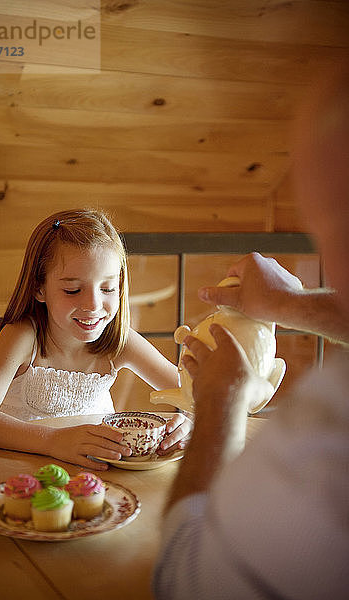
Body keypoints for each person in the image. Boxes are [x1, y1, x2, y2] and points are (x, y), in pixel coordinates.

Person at [153, 63, 349, 598]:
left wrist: (219, 402)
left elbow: (185, 578)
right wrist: (291, 305)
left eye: (329, 227)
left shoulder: (329, 437)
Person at [0, 209, 191, 470]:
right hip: (21, 476)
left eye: (107, 289)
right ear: (39, 288)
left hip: (96, 480)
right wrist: (53, 441)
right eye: (73, 290)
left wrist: (190, 423)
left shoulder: (120, 342)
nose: (92, 305)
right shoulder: (23, 337)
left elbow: (198, 397)